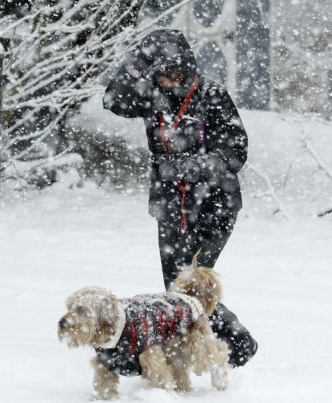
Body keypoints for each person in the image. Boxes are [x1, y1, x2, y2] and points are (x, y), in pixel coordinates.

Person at [102, 29, 257, 368]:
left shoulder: (212, 95)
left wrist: (192, 166)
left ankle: (236, 344)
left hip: (215, 206)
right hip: (170, 206)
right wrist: (134, 66)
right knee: (176, 287)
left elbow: (236, 150)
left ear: (187, 67)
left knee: (191, 285)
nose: (168, 80)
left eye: (174, 72)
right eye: (160, 72)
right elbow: (112, 100)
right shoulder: (151, 96)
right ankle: (189, 348)